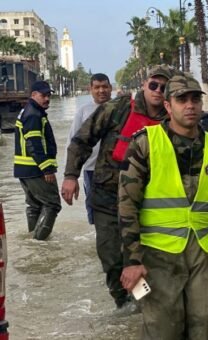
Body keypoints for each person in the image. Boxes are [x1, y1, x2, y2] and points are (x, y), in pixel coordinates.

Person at [118, 74, 208, 339]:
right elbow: (126, 205)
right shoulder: (145, 143)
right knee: (162, 328)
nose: (190, 105)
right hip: (159, 255)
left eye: (195, 99)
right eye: (181, 99)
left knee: (207, 325)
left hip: (206, 253)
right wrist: (132, 260)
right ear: (168, 106)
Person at [61, 65, 174, 308]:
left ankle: (142, 304)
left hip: (149, 202)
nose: (158, 91)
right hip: (107, 197)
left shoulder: (172, 117)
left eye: (164, 88)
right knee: (112, 258)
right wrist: (71, 175)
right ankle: (123, 304)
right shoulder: (117, 108)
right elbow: (82, 140)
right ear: (144, 84)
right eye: (153, 85)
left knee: (144, 258)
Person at [13, 81, 60, 240]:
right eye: (43, 95)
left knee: (34, 206)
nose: (47, 98)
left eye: (49, 95)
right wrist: (46, 168)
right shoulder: (33, 114)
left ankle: (33, 240)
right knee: (52, 204)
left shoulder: (28, 111)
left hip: (24, 169)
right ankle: (40, 241)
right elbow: (34, 144)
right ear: (33, 95)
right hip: (35, 169)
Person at [64, 73, 113, 225]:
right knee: (94, 209)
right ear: (90, 89)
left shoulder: (121, 109)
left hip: (117, 170)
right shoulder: (84, 111)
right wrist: (71, 176)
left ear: (110, 88)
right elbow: (73, 143)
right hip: (91, 170)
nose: (101, 90)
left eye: (104, 86)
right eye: (97, 87)